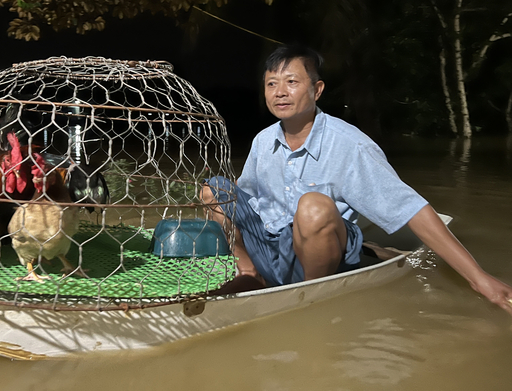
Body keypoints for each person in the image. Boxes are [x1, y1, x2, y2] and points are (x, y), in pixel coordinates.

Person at [200, 44, 512, 312]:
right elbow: (244, 199)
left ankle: (311, 296)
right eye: (271, 84)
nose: (279, 92)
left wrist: (479, 278)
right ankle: (251, 274)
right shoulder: (263, 141)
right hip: (272, 245)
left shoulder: (351, 145)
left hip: (320, 259)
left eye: (291, 82)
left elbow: (409, 208)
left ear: (317, 89)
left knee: (312, 208)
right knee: (214, 189)